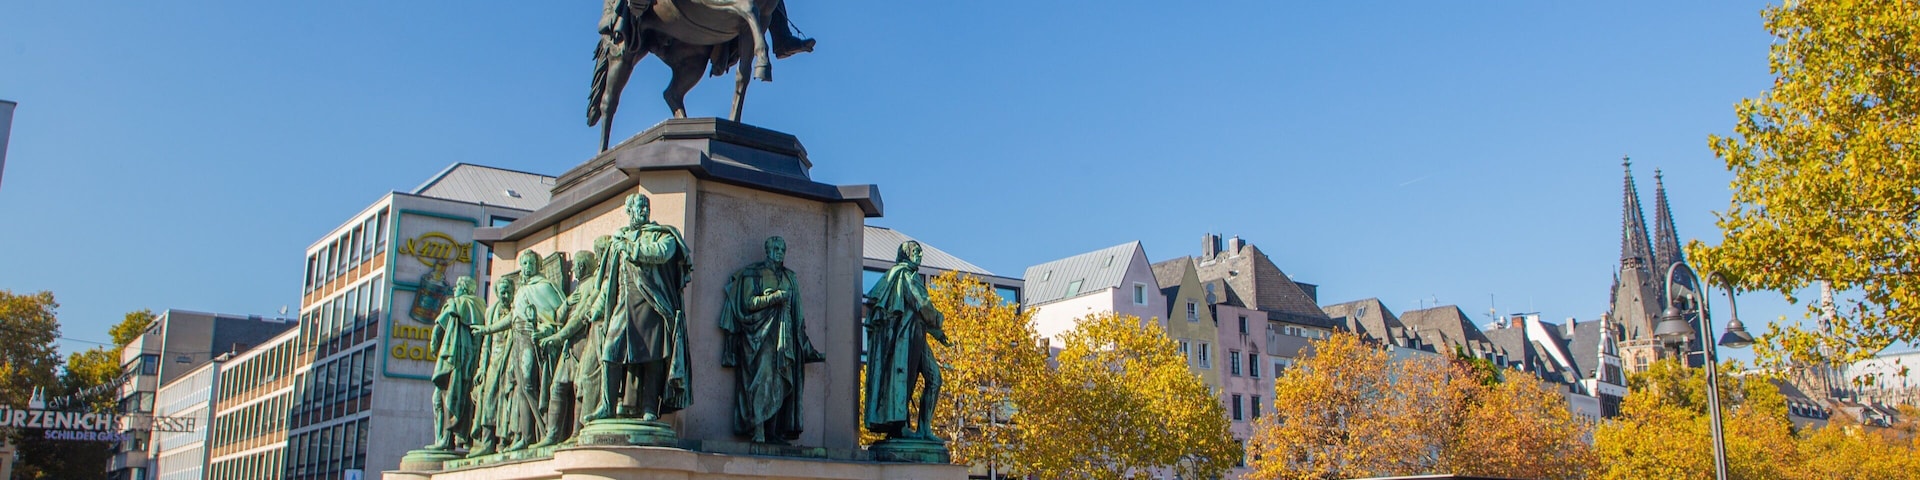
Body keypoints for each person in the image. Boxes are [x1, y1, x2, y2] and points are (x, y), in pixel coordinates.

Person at [587, 193, 693, 423]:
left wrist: (630, 248)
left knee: (653, 356)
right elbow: (610, 279)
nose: (644, 210)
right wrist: (597, 306)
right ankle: (607, 405)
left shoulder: (662, 235)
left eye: (647, 205)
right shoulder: (619, 240)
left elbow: (661, 254)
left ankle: (649, 407)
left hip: (652, 303)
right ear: (629, 210)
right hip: (623, 304)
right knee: (610, 352)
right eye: (639, 206)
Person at [720, 236, 825, 443]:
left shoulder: (790, 277)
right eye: (775, 248)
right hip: (759, 337)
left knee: (782, 378)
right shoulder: (754, 273)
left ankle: (773, 431)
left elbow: (798, 316)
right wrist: (774, 297)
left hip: (785, 336)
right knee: (762, 378)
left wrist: (804, 345)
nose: (779, 251)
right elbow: (747, 302)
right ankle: (757, 428)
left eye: (782, 248)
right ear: (766, 250)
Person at [862, 241, 950, 440]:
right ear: (906, 254)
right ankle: (899, 426)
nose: (919, 255)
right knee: (904, 381)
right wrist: (938, 321)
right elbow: (922, 304)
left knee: (935, 379)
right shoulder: (903, 275)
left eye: (921, 252)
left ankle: (924, 429)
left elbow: (918, 312)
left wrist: (937, 332)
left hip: (918, 336)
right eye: (916, 252)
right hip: (905, 339)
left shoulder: (910, 276)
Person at [534, 248, 603, 447]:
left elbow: (581, 318)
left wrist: (557, 337)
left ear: (582, 266)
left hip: (582, 342)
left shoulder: (591, 285)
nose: (572, 269)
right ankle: (552, 435)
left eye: (575, 266)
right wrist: (566, 303)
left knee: (578, 386)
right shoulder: (577, 289)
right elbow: (559, 317)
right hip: (568, 346)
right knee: (557, 387)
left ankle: (576, 432)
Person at [427, 277, 485, 451]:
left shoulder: (456, 303)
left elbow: (439, 326)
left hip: (453, 359)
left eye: (457, 287)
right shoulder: (481, 307)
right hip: (470, 360)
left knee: (441, 398)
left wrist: (433, 345)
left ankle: (444, 440)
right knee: (462, 399)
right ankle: (458, 438)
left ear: (463, 289)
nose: (454, 290)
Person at [467, 280, 516, 457]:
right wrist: (481, 368)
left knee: (507, 401)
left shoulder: (516, 308)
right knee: (487, 400)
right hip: (494, 361)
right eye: (502, 292)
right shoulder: (492, 311)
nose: (505, 296)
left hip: (510, 359)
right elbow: (485, 344)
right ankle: (487, 441)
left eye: (508, 292)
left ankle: (504, 441)